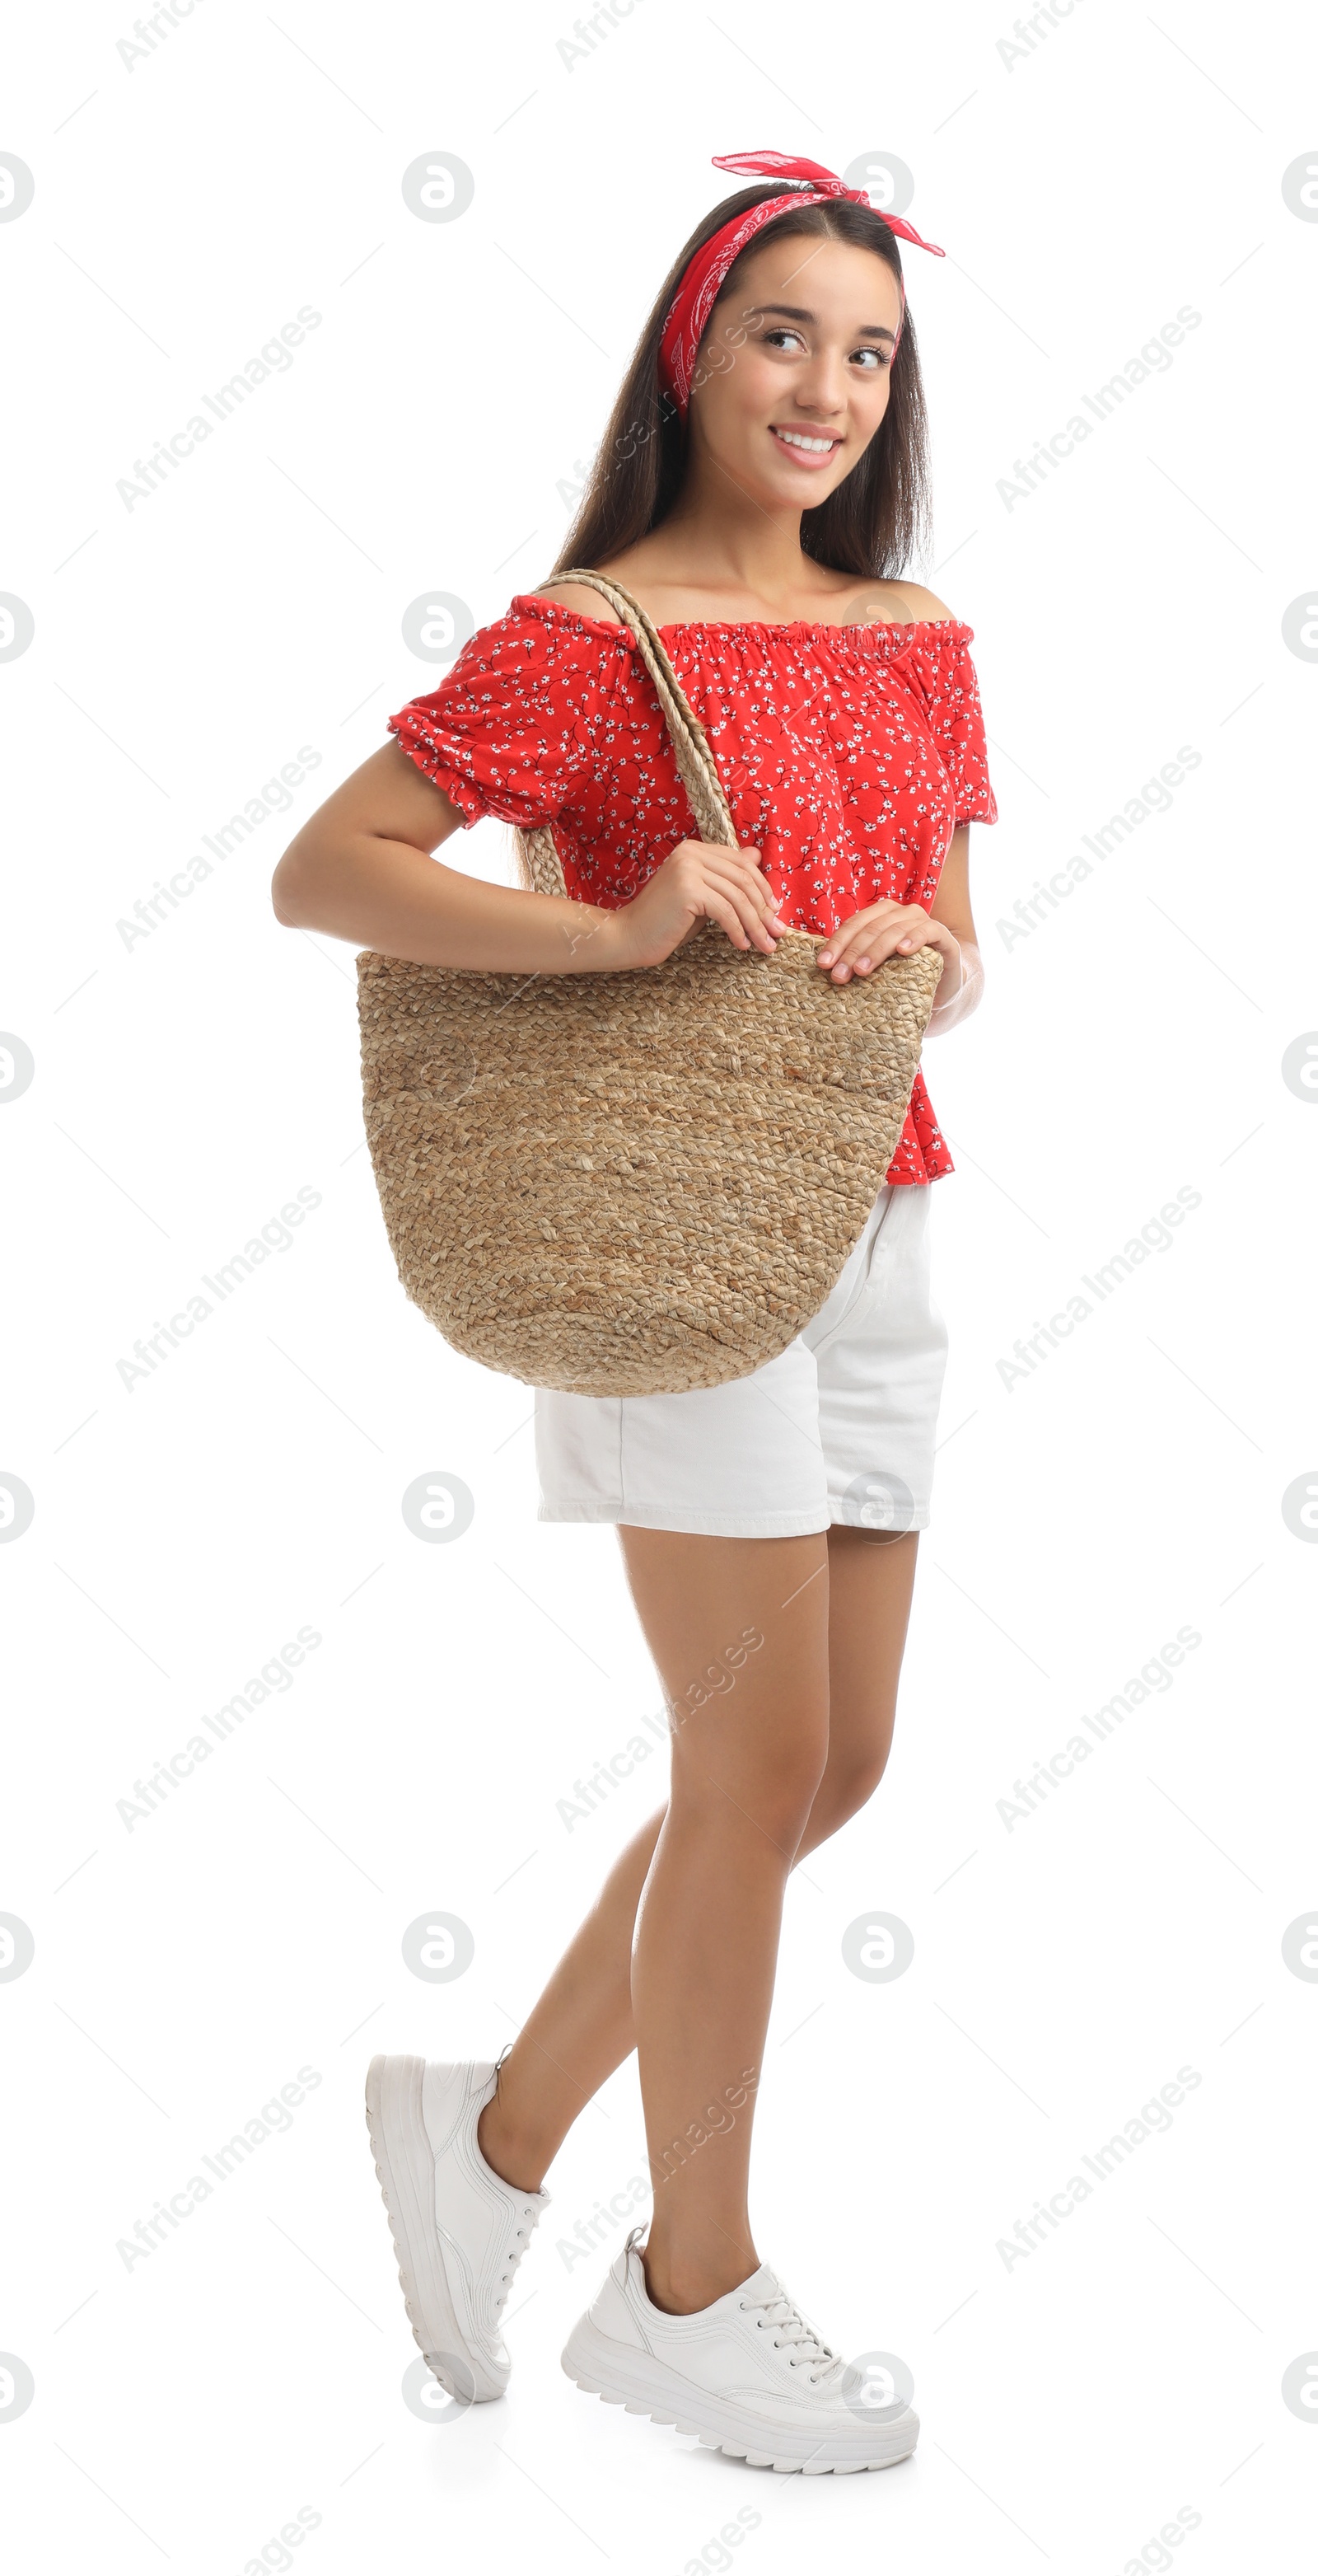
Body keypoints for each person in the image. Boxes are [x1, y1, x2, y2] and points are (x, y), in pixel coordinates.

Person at [271, 148, 997, 2476]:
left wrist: (925, 954)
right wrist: (609, 933)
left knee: (836, 1761)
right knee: (746, 1767)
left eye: (867, 352)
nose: (828, 387)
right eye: (785, 333)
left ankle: (486, 2136)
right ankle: (688, 2287)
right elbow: (329, 869)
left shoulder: (918, 637)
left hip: (870, 1217)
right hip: (666, 1257)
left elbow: (956, 934)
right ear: (695, 355)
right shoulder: (592, 643)